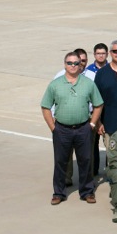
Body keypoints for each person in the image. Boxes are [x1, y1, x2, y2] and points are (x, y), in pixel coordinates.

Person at [41, 52, 103, 205]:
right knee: (60, 162)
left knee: (86, 161)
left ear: (80, 65)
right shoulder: (55, 84)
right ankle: (59, 192)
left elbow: (98, 104)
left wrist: (93, 124)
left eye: (76, 63)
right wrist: (53, 128)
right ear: (64, 65)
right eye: (70, 63)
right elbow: (45, 106)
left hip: (83, 128)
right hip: (62, 129)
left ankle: (87, 191)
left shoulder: (88, 83)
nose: (73, 66)